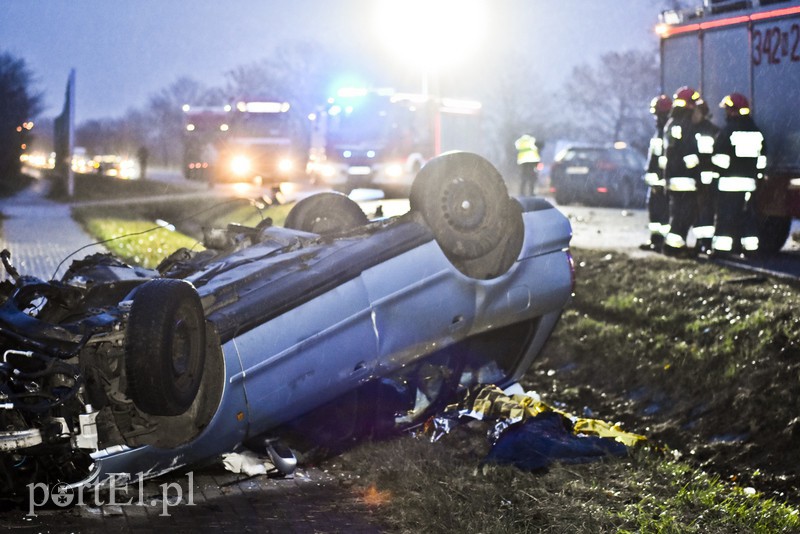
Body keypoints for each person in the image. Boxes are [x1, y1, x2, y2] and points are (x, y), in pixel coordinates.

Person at [710, 93, 767, 257]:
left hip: (729, 183)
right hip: (749, 183)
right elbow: (761, 159)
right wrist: (757, 175)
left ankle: (722, 250)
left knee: (726, 218)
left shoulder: (727, 132)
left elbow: (720, 160)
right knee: (748, 217)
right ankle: (751, 249)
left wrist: (714, 167)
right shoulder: (756, 132)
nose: (726, 113)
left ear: (733, 111)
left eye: (727, 109)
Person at [663, 86, 702, 258]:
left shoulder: (674, 123)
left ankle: (676, 246)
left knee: (681, 215)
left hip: (678, 178)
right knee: (683, 215)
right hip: (684, 179)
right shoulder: (682, 124)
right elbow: (685, 152)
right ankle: (673, 248)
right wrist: (696, 169)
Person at [640, 95, 672, 252]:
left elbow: (662, 160)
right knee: (656, 213)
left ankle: (660, 242)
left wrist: (659, 181)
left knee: (662, 213)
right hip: (657, 183)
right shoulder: (660, 131)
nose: (655, 117)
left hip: (661, 184)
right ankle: (656, 240)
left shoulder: (666, 131)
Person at [690, 100, 720, 255]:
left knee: (706, 211)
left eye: (696, 112)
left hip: (706, 180)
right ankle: (700, 242)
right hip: (699, 179)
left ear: (703, 113)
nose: (693, 116)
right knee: (698, 212)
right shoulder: (695, 129)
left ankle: (706, 243)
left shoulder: (711, 131)